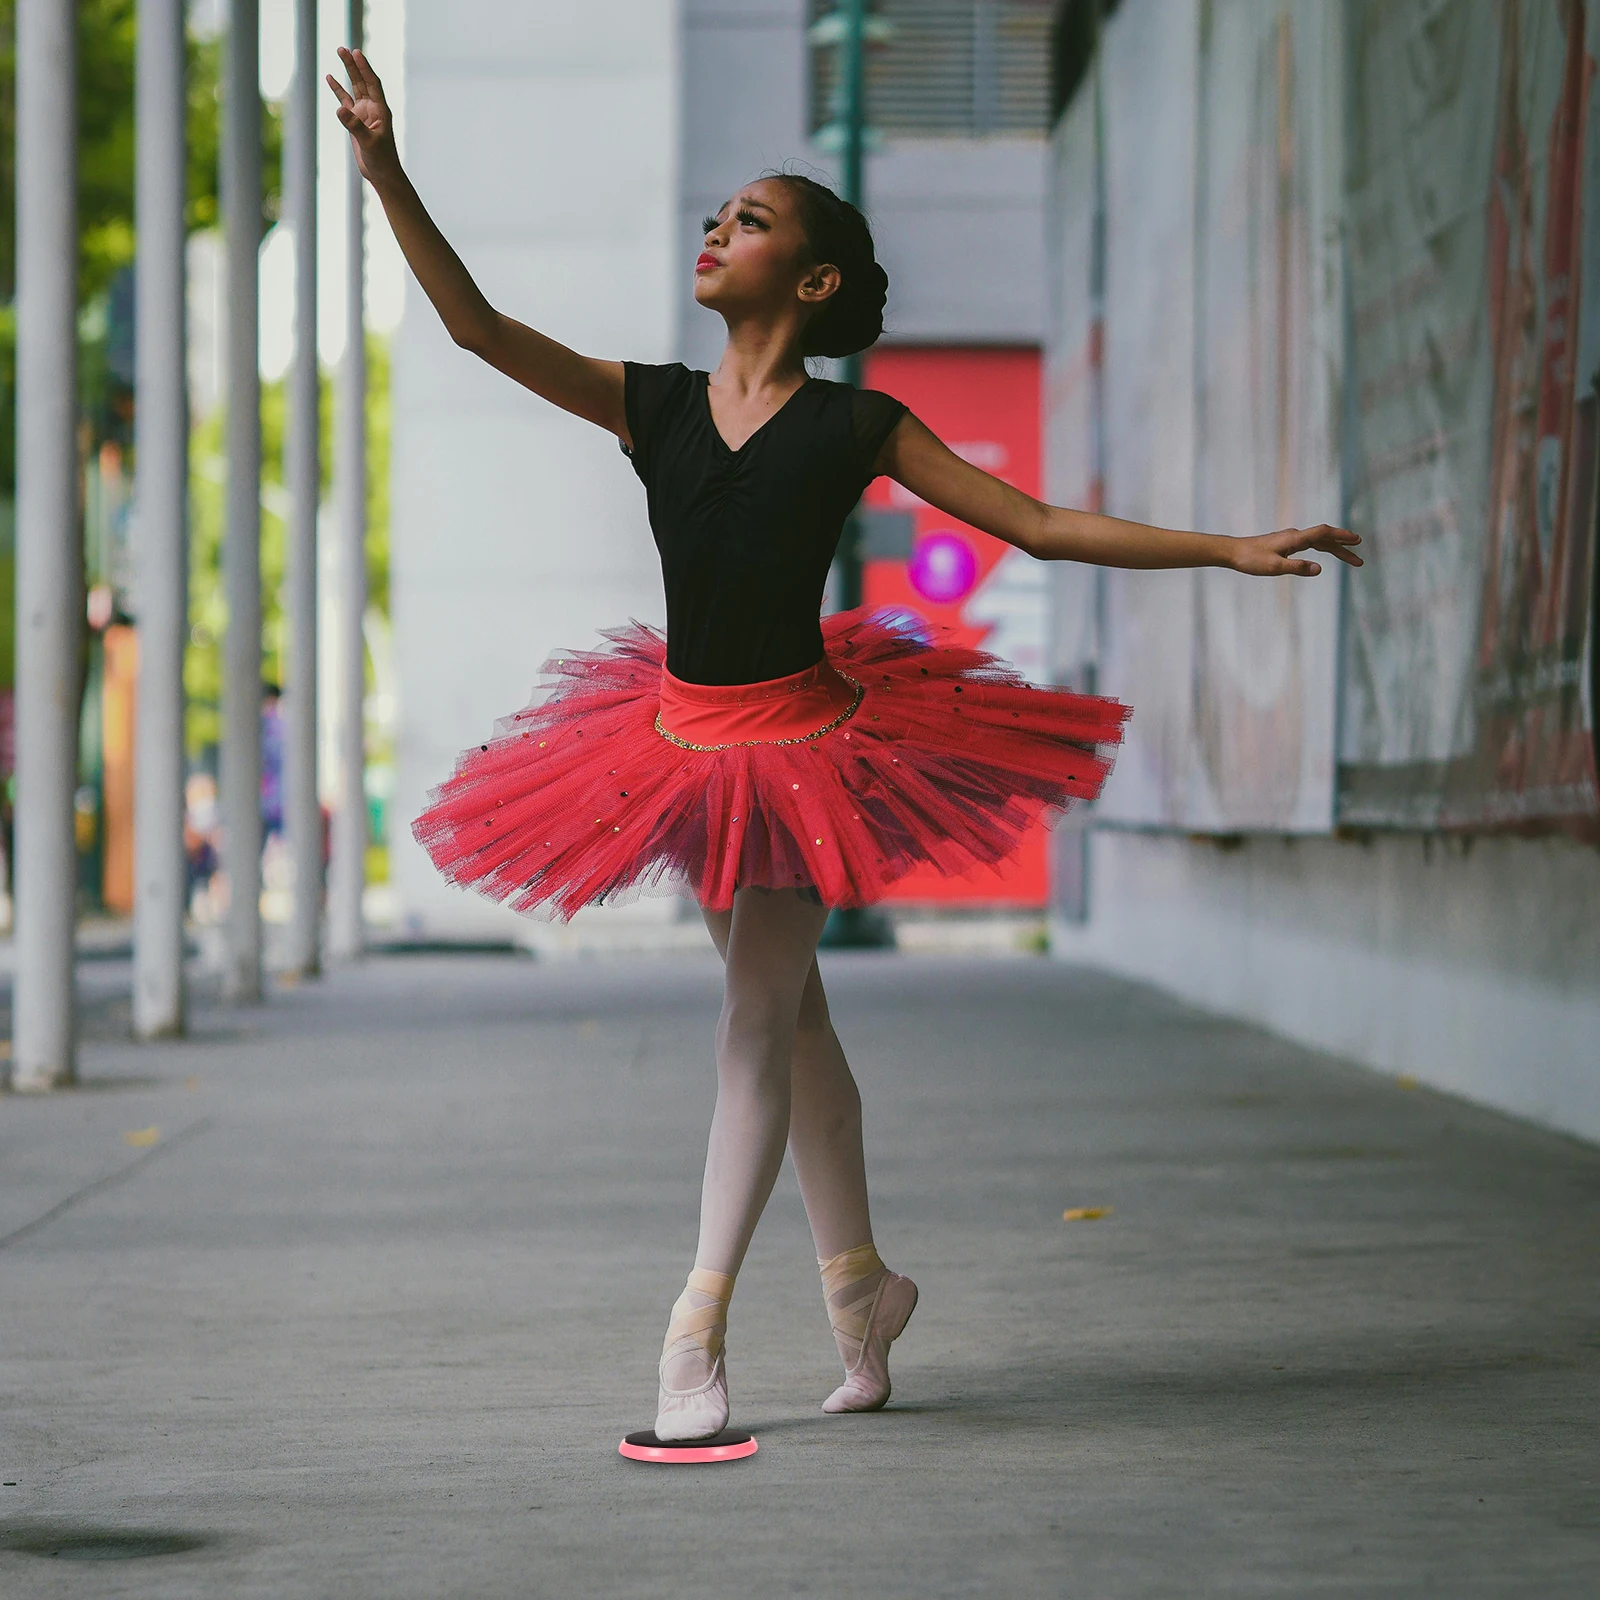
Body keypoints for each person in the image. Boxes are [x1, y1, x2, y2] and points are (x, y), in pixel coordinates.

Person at [327, 48, 1362, 1443]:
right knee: (794, 1019)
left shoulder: (857, 421)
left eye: (750, 220)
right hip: (677, 750)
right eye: (721, 216)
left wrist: (1229, 546)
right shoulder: (658, 406)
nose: (718, 229)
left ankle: (693, 1332)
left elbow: (1040, 525)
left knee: (755, 1019)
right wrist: (388, 168)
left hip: (809, 751)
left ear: (812, 282)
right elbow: (475, 330)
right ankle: (863, 1288)